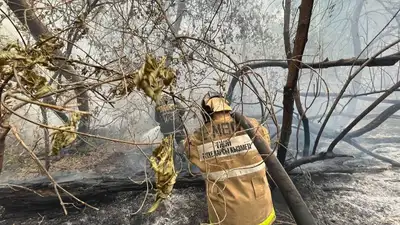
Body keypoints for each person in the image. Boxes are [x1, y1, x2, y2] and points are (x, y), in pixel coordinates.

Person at [183, 92, 276, 225]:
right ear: (227, 106)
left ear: (205, 113)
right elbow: (266, 144)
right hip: (262, 212)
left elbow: (188, 149)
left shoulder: (199, 137)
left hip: (226, 217)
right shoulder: (253, 125)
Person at [154, 93, 200, 174]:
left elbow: (157, 119)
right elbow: (183, 110)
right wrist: (178, 116)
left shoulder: (158, 105)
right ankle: (183, 156)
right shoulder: (174, 101)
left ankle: (173, 167)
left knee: (170, 148)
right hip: (178, 127)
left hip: (166, 130)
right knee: (183, 142)